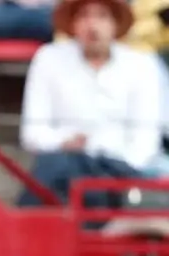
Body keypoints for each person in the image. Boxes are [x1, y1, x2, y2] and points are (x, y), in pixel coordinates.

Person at [18, 0, 163, 206]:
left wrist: (108, 166)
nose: (92, 25)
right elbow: (32, 133)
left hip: (121, 171)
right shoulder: (48, 59)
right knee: (56, 168)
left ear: (115, 23)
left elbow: (145, 142)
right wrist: (64, 141)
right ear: (73, 23)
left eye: (102, 16)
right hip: (66, 167)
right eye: (84, 16)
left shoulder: (141, 65)